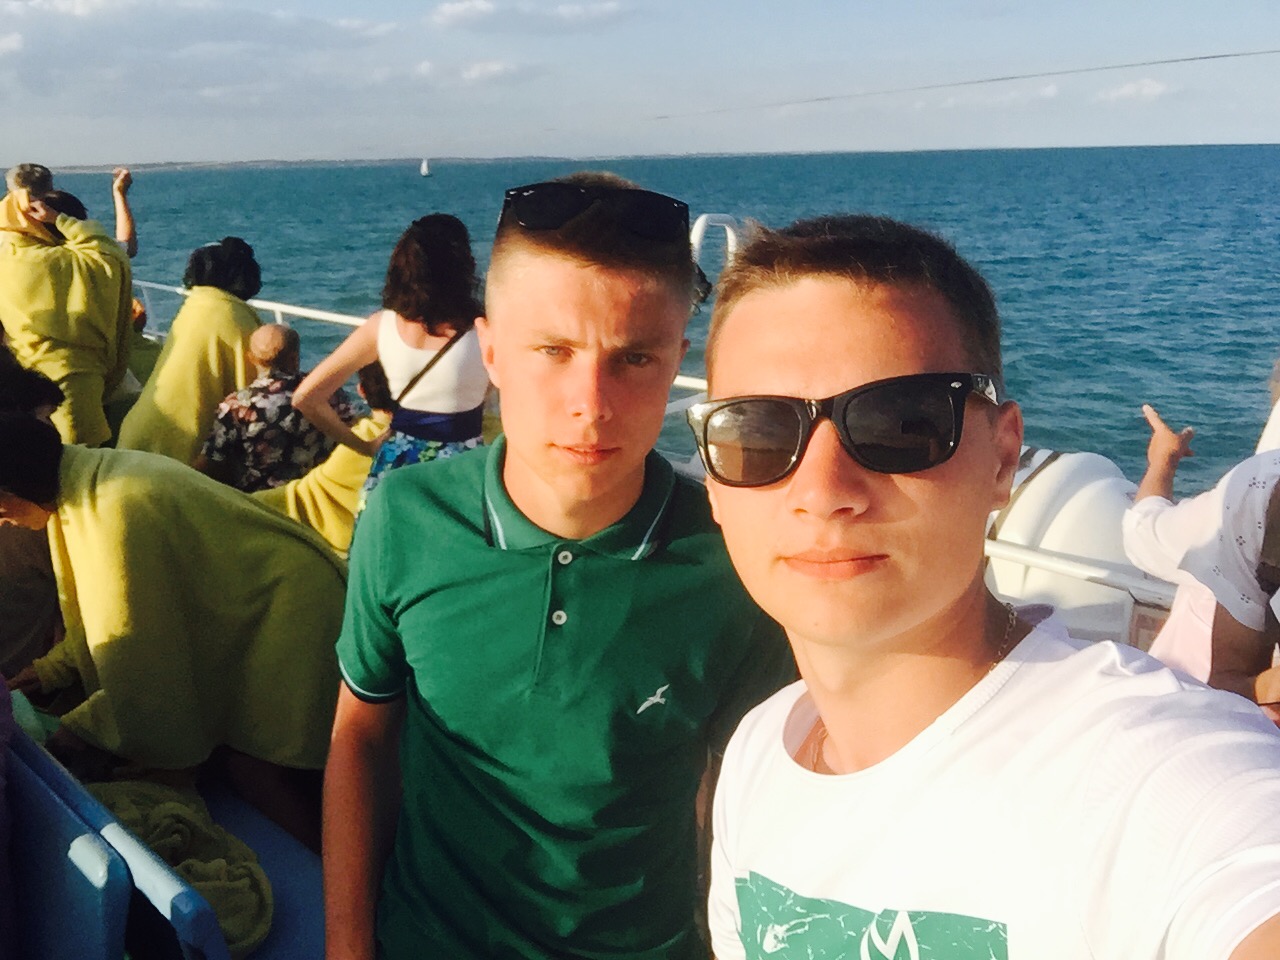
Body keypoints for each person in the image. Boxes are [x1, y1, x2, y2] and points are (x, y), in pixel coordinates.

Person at [693, 214, 1280, 959]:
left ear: (1003, 457)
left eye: (901, 423)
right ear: (711, 479)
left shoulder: (1157, 775)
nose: (823, 491)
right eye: (757, 432)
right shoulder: (758, 753)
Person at [323, 173, 794, 960]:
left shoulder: (733, 559)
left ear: (678, 362)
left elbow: (748, 795)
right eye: (553, 351)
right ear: (492, 352)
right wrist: (347, 944)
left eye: (634, 358)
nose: (592, 403)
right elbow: (361, 735)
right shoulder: (405, 519)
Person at [0, 410, 346, 846]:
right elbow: (108, 616)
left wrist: (82, 728)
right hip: (260, 603)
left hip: (292, 614)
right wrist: (50, 670)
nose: (2, 520)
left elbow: (142, 661)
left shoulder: (114, 509)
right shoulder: (84, 479)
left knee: (257, 768)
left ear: (16, 489)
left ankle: (341, 874)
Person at [291, 214, 490, 511]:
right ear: (464, 267)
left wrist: (364, 446)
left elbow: (306, 397)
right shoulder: (487, 330)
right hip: (462, 466)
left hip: (397, 464)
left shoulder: (381, 326)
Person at [1124, 403, 1280, 721]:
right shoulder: (1257, 500)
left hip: (1189, 715)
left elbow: (1144, 535)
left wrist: (1163, 462)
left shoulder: (1254, 500)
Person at [0, 190, 133, 446]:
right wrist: (60, 220)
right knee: (82, 453)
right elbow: (110, 251)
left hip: (24, 374)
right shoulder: (82, 261)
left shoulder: (10, 258)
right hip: (80, 378)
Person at [116, 237, 263, 463]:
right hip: (176, 450)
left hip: (140, 437)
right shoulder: (237, 321)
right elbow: (255, 395)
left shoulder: (195, 306)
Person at [193, 324, 357, 493]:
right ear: (294, 358)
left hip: (260, 496)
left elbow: (213, 460)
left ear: (251, 358)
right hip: (318, 490)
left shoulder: (238, 406)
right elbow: (351, 430)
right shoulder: (328, 392)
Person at [254, 362, 393, 555]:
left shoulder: (360, 441)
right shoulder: (420, 444)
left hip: (316, 544)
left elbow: (309, 496)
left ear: (361, 390)